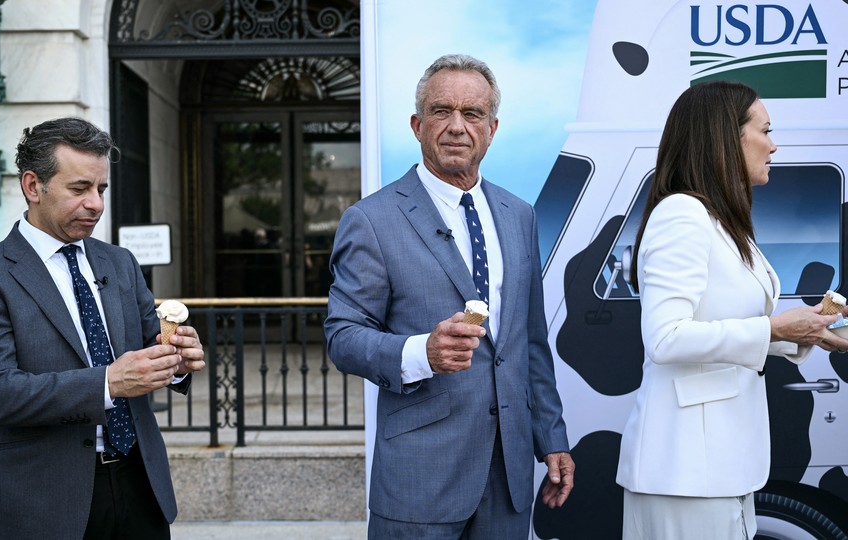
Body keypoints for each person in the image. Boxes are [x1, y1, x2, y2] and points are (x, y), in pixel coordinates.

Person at [324, 54, 574, 539]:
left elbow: (530, 344)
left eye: (472, 113)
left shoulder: (518, 215)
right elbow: (342, 335)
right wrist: (422, 352)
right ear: (417, 125)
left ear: (492, 128)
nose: (457, 126)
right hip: (420, 479)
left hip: (508, 477)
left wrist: (552, 438)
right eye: (441, 111)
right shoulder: (372, 220)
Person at [0, 117, 206, 540]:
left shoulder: (119, 262)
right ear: (33, 186)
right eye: (79, 189)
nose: (96, 204)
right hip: (43, 500)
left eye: (101, 189)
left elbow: (149, 344)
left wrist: (178, 359)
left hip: (140, 485)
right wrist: (108, 382)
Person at [616, 80, 848, 539]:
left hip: (720, 468)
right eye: (765, 130)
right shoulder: (682, 214)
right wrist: (773, 329)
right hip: (684, 470)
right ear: (726, 137)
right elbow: (666, 338)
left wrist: (812, 334)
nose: (774, 144)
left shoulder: (720, 221)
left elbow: (723, 326)